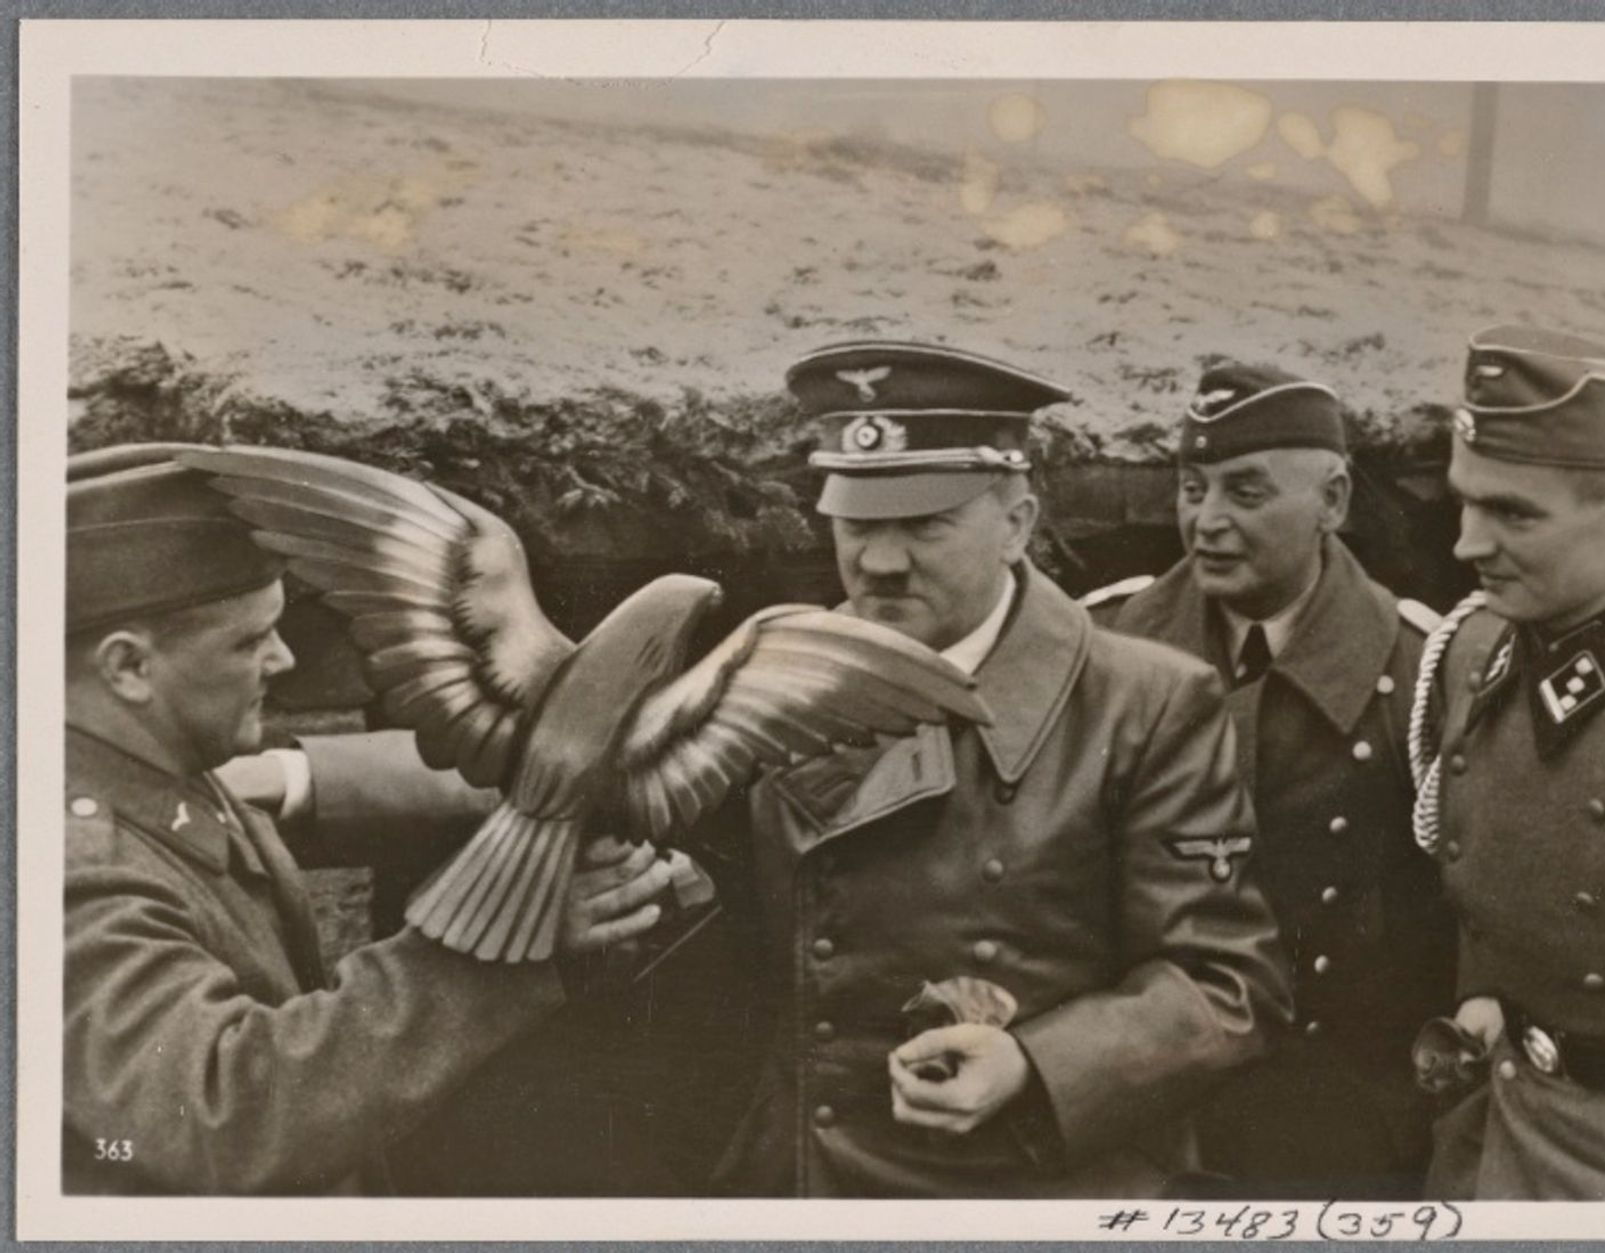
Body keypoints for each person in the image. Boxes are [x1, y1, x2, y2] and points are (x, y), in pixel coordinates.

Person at [246, 341, 1293, 1198]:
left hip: (1030, 1187)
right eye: (855, 523)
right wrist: (294, 777)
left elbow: (1223, 984)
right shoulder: (786, 663)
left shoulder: (1148, 699)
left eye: (922, 524)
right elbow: (568, 758)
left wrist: (1038, 1065)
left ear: (1018, 521)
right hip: (798, 1183)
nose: (878, 563)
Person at [62, 444, 673, 1196]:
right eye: (250, 640)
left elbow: (267, 798)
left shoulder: (152, 768)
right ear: (127, 667)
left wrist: (571, 776)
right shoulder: (77, 872)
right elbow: (224, 1113)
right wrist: (498, 947)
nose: (283, 659)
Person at [1082, 363, 1456, 1198]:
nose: (1205, 521)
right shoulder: (1100, 647)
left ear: (1333, 500)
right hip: (1135, 1117)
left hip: (1335, 1131)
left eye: (1246, 492)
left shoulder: (1424, 667)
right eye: (1191, 487)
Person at [1410, 326, 1605, 1200]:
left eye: (1514, 513)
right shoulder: (1477, 652)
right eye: (1464, 502)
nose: (1465, 546)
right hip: (1491, 1127)